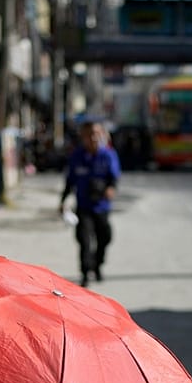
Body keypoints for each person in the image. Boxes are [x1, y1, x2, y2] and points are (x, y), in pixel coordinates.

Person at [59, 121, 121, 286]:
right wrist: (63, 200)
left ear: (101, 135)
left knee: (105, 237)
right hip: (83, 206)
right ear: (83, 137)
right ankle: (86, 272)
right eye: (89, 134)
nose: (92, 138)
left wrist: (111, 189)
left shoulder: (108, 155)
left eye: (96, 133)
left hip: (102, 206)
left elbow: (114, 178)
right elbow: (69, 181)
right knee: (84, 240)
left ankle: (97, 264)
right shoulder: (77, 156)